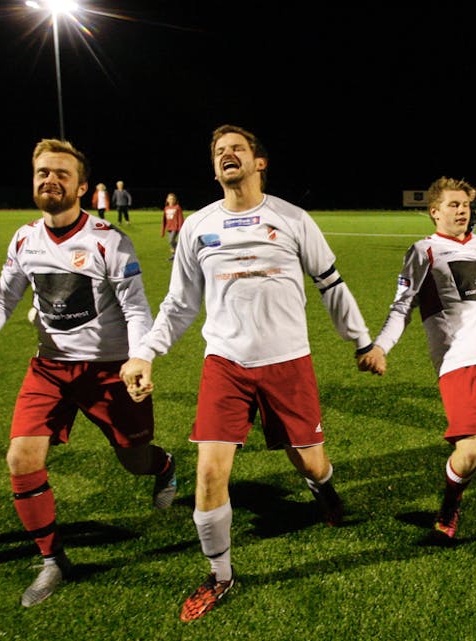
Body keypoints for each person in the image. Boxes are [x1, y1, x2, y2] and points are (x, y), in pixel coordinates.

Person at [119, 124, 378, 622]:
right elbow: (179, 304)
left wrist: (361, 341)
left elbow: (330, 283)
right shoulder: (197, 226)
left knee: (310, 464)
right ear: (214, 168)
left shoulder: (292, 218)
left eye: (236, 148)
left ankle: (323, 490)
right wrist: (146, 352)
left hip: (288, 361)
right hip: (225, 365)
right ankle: (220, 575)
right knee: (209, 472)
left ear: (260, 162)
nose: (227, 154)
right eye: (219, 151)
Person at [0, 139, 177, 607]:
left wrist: (140, 357)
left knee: (134, 461)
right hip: (49, 368)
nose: (50, 180)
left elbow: (136, 308)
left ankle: (163, 466)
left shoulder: (108, 240)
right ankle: (53, 559)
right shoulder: (24, 239)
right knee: (21, 459)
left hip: (109, 371)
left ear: (81, 187)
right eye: (42, 172)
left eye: (62, 173)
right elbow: (3, 299)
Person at [365, 176, 476, 572]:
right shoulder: (423, 250)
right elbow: (401, 306)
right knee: (471, 453)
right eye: (453, 205)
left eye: (466, 205)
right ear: (434, 211)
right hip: (458, 362)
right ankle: (449, 507)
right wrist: (380, 347)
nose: (462, 211)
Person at [161, 192, 185, 260]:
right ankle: (174, 255)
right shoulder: (166, 208)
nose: (171, 200)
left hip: (175, 228)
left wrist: (181, 229)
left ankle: (179, 251)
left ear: (175, 200)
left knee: (171, 241)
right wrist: (162, 230)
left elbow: (180, 218)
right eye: (170, 199)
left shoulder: (177, 207)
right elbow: (164, 220)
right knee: (171, 242)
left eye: (173, 199)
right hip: (169, 228)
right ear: (167, 200)